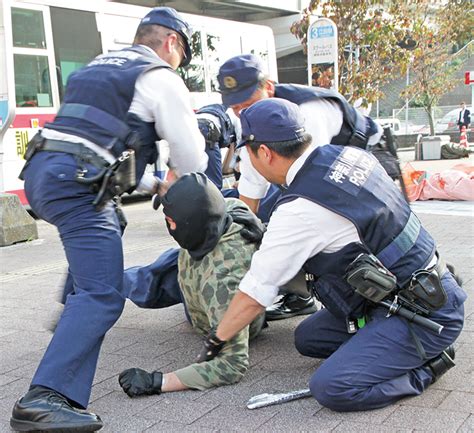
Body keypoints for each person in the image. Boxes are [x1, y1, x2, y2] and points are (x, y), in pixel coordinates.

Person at [196, 98, 466, 412]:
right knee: (308, 338)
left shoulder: (300, 208)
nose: (245, 165)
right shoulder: (349, 155)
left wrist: (216, 340)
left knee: (332, 387)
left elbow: (256, 293)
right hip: (414, 289)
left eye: (246, 155)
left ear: (265, 153)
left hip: (425, 316)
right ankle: (379, 348)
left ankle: (426, 368)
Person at [10, 7, 208, 432]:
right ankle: (43, 399)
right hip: (76, 185)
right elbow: (191, 155)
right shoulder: (160, 76)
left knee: (109, 231)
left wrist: (152, 179)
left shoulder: (99, 66)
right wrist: (176, 176)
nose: (180, 65)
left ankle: (71, 312)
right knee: (103, 294)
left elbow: (96, 136)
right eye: (183, 55)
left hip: (45, 173)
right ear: (172, 43)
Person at [216, 53, 383, 320]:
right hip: (316, 175)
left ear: (268, 87)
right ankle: (297, 292)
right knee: (260, 220)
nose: (242, 113)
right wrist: (238, 252)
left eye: (247, 104)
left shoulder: (303, 115)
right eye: (235, 109)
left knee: (304, 225)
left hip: (360, 164)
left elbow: (312, 184)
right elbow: (248, 203)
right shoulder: (254, 123)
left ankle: (379, 303)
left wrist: (259, 281)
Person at [118, 173, 265, 397]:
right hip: (193, 269)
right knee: (158, 269)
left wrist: (158, 382)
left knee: (147, 286)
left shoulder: (221, 284)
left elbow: (232, 365)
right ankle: (98, 284)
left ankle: (97, 285)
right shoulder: (226, 210)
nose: (168, 225)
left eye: (170, 222)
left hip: (209, 304)